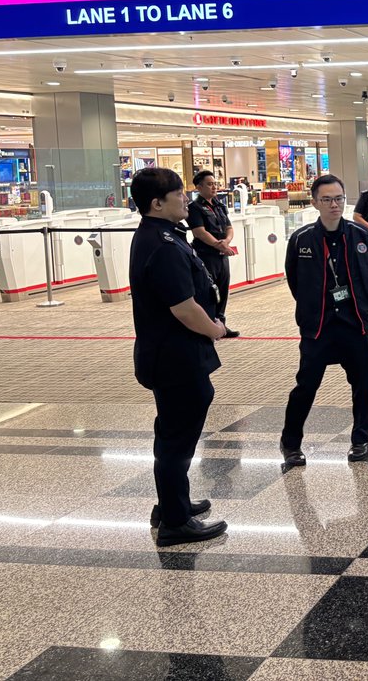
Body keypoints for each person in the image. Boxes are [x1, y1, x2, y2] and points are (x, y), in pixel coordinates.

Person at [127, 167, 228, 547]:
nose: (186, 199)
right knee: (176, 439)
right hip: (175, 357)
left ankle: (174, 502)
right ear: (157, 203)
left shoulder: (161, 235)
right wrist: (215, 329)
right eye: (178, 194)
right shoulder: (163, 245)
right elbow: (183, 308)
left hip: (175, 354)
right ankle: (174, 521)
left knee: (173, 433)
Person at [280, 174, 368, 470]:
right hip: (318, 326)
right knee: (305, 386)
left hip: (353, 323)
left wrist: (367, 311)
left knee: (362, 384)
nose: (334, 205)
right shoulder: (301, 239)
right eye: (327, 199)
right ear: (314, 202)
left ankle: (360, 439)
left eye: (338, 198)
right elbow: (294, 279)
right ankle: (290, 442)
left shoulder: (360, 236)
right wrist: (311, 308)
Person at [185, 171, 240, 338]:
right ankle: (208, 325)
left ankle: (221, 324)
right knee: (208, 291)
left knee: (223, 289)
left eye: (215, 183)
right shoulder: (194, 208)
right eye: (209, 184)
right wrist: (219, 245)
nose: (214, 186)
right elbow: (200, 232)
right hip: (206, 255)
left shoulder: (219, 205)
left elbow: (229, 228)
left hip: (221, 254)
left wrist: (226, 243)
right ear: (199, 187)